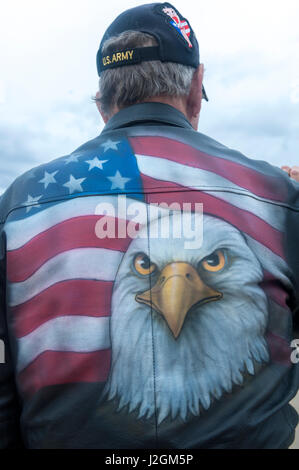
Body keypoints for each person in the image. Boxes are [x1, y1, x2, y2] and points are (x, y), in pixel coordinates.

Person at [0, 1, 299, 450]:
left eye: (214, 260)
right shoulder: (278, 200)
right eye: (144, 267)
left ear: (102, 102)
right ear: (197, 88)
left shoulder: (19, 208)